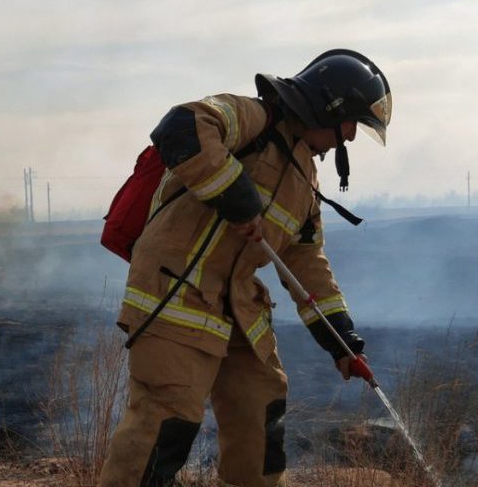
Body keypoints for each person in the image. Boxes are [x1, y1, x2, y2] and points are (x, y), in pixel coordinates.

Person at [98, 49, 392, 487]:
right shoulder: (249, 117)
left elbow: (307, 262)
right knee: (166, 423)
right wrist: (237, 196)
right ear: (330, 105)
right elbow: (183, 124)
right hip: (175, 294)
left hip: (236, 310)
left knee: (262, 415)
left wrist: (342, 340)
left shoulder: (305, 180)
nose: (346, 139)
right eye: (351, 125)